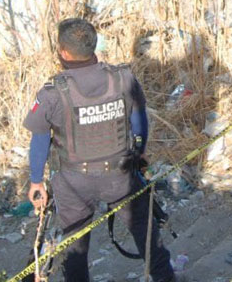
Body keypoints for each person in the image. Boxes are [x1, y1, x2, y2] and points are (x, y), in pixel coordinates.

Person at [25, 18, 176, 282]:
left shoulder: (52, 92)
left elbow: (39, 140)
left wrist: (36, 181)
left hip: (73, 183)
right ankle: (165, 278)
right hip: (120, 176)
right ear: (94, 46)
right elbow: (139, 123)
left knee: (75, 246)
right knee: (145, 232)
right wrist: (139, 154)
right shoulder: (122, 78)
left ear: (63, 51)